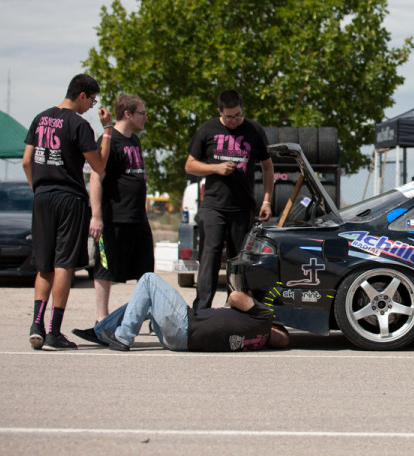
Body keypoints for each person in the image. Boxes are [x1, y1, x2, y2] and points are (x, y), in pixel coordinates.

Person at [22, 73, 113, 350]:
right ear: (82, 95)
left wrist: (38, 189)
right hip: (69, 198)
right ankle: (54, 332)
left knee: (44, 264)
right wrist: (107, 130)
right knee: (64, 264)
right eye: (92, 100)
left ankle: (37, 324)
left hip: (42, 196)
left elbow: (27, 161)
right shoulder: (79, 124)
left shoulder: (39, 118)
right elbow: (99, 165)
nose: (91, 106)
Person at [185, 89, 273, 311]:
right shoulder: (207, 129)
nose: (233, 121)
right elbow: (190, 165)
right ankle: (201, 311)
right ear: (219, 112)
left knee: (238, 262)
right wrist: (215, 168)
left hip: (242, 207)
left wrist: (266, 201)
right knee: (210, 257)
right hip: (213, 206)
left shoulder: (254, 130)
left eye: (237, 115)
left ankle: (235, 309)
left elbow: (267, 167)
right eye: (228, 117)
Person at [71, 272, 289, 351]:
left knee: (148, 280)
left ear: (275, 327)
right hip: (179, 343)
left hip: (185, 325)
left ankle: (123, 337)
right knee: (147, 302)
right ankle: (102, 332)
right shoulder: (256, 342)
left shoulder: (265, 317)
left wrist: (250, 298)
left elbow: (234, 297)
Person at [88, 94, 154, 322]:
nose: (145, 117)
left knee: (145, 269)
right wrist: (96, 216)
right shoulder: (109, 139)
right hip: (114, 217)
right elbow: (96, 177)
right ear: (128, 114)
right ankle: (102, 319)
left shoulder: (134, 140)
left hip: (138, 216)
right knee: (105, 268)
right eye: (142, 113)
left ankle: (143, 316)